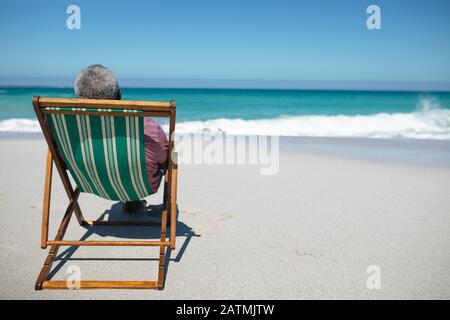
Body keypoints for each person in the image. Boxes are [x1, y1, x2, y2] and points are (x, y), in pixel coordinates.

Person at [74, 64, 169, 213]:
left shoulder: (71, 127)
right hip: (141, 186)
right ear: (118, 95)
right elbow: (164, 158)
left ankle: (132, 202)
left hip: (90, 182)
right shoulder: (145, 125)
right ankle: (132, 198)